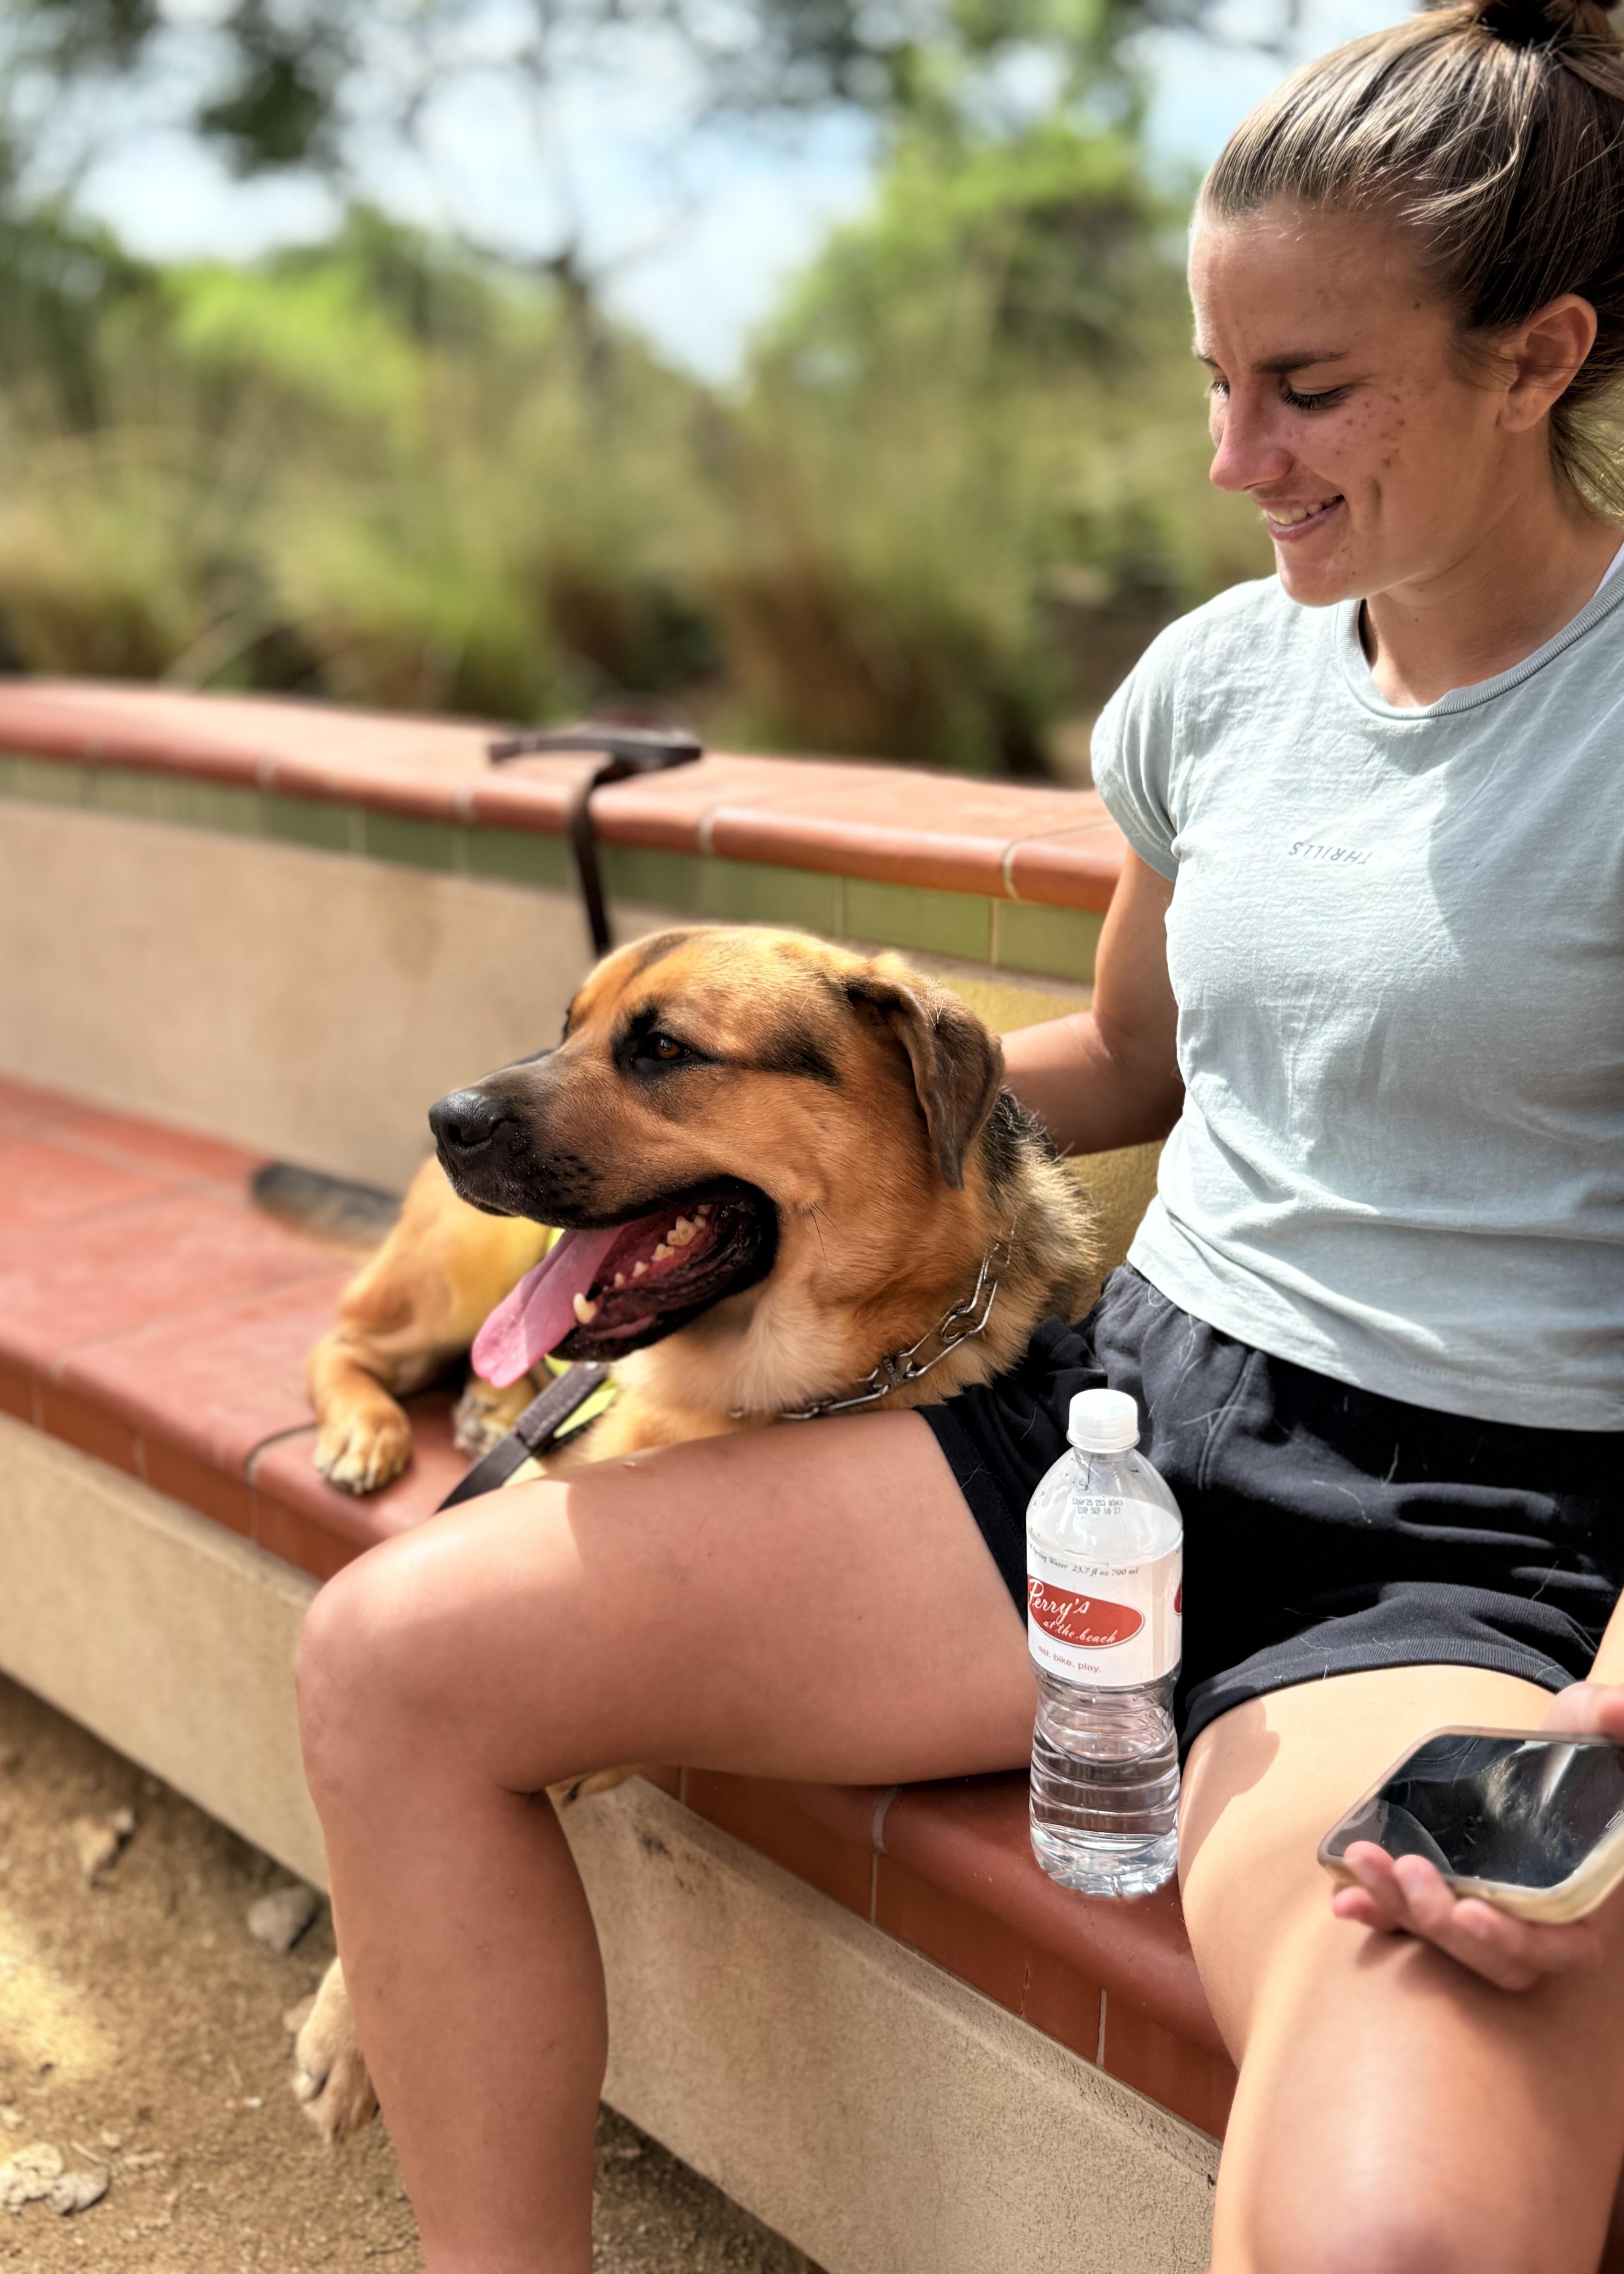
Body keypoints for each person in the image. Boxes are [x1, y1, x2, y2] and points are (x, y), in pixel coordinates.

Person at [294, 0, 1624, 2263]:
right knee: (392, 1663)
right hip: (1105, 1431)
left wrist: (1604, 1736)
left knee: (1397, 2240)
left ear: (1539, 357)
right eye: (1217, 379)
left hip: (1463, 1549)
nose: (1236, 459)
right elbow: (1127, 1060)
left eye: (1308, 391)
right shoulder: (1219, 682)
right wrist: (789, 1091)